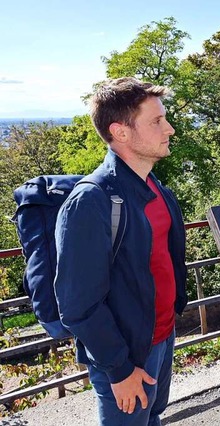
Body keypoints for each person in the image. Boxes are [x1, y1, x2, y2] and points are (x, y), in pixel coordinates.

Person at [54, 77, 187, 425]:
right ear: (122, 132)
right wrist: (119, 370)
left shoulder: (156, 189)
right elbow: (77, 305)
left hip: (161, 338)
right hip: (126, 355)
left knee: (153, 417)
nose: (169, 128)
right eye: (157, 121)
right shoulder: (91, 202)